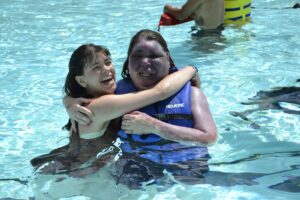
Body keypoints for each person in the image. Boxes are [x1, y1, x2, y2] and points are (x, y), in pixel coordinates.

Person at [66, 30, 217, 188]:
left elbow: (210, 137)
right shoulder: (111, 98)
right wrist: (191, 69)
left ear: (168, 59)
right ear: (128, 62)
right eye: (138, 56)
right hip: (89, 171)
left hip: (187, 163)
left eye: (153, 56)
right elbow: (160, 92)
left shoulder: (192, 94)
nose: (145, 62)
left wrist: (155, 126)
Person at [30, 43, 198, 177]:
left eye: (108, 62)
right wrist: (191, 69)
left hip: (74, 162)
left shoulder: (89, 99)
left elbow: (70, 94)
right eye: (96, 68)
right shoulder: (101, 106)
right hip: (78, 173)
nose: (106, 69)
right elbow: (159, 92)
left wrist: (68, 101)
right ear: (82, 81)